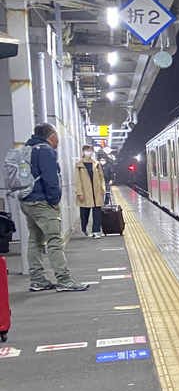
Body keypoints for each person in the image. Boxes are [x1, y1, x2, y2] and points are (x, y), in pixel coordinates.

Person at [19, 123, 88, 292]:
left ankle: (37, 280)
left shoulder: (26, 149)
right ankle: (64, 280)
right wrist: (54, 200)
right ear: (53, 136)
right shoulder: (46, 151)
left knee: (35, 240)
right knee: (55, 241)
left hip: (26, 201)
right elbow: (51, 179)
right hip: (42, 202)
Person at [74, 145, 106, 238]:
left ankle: (96, 231)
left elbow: (101, 177)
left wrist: (103, 187)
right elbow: (77, 180)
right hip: (85, 191)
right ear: (83, 151)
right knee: (84, 212)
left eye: (91, 150)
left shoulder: (96, 164)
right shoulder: (78, 165)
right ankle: (84, 229)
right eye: (87, 150)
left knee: (97, 211)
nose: (89, 151)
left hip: (96, 191)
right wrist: (79, 193)